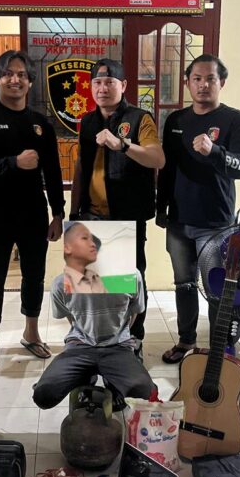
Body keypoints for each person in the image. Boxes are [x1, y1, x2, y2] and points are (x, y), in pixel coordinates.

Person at [0, 50, 65, 365]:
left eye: (21, 74)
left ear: (30, 81)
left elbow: (53, 171)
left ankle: (31, 332)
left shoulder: (41, 124)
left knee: (34, 275)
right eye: (7, 73)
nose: (15, 80)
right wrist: (13, 163)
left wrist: (57, 212)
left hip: (33, 212)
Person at [156, 54, 240, 364]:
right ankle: (186, 341)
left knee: (216, 288)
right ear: (187, 83)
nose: (203, 85)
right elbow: (166, 168)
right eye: (197, 79)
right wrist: (161, 207)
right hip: (179, 221)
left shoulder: (236, 120)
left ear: (221, 82)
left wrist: (215, 152)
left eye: (210, 78)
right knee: (183, 284)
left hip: (215, 222)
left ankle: (218, 348)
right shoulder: (176, 121)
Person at [70, 59, 164, 342]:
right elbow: (81, 168)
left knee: (128, 282)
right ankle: (95, 338)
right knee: (91, 283)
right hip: (92, 216)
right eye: (97, 83)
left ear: (123, 85)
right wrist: (73, 211)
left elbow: (157, 158)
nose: (102, 88)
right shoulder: (88, 121)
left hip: (127, 216)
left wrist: (122, 145)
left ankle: (133, 337)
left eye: (109, 82)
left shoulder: (139, 118)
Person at [32, 262, 155, 409]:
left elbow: (134, 312)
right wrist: (84, 333)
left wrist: (120, 335)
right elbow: (71, 318)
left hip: (117, 347)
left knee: (145, 393)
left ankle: (112, 380)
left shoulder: (130, 277)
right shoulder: (62, 283)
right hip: (79, 347)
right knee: (43, 395)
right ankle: (86, 378)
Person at [62, 222, 108, 295]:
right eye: (84, 238)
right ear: (66, 248)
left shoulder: (96, 278)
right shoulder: (63, 283)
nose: (93, 244)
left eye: (92, 240)